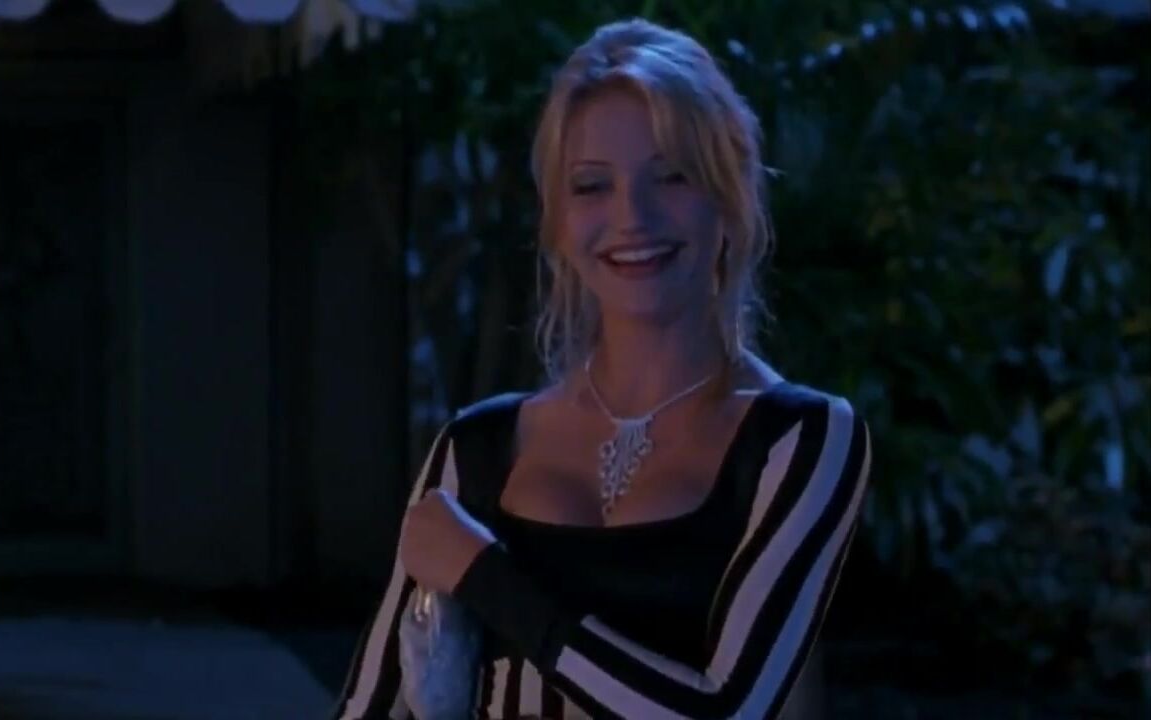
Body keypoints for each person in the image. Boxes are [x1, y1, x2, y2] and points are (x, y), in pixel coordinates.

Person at [332, 17, 871, 720]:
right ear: (556, 223)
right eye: (591, 186)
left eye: (671, 177)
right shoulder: (476, 447)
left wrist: (486, 575)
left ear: (729, 199)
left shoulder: (800, 439)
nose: (632, 217)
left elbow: (727, 713)